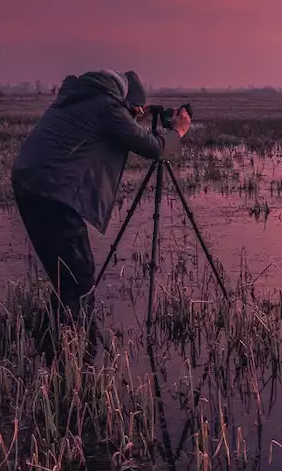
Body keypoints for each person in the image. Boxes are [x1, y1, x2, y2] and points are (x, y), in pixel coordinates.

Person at [10, 69, 190, 320]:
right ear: (123, 101)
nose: (133, 116)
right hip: (53, 193)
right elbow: (155, 149)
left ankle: (54, 338)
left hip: (30, 184)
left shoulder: (84, 97)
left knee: (64, 274)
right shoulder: (107, 107)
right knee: (79, 278)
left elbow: (106, 126)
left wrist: (134, 113)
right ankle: (75, 341)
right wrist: (178, 132)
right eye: (133, 112)